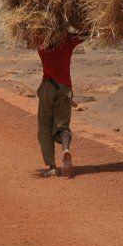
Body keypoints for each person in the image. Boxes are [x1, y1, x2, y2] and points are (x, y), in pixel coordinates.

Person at [36, 32, 84, 178]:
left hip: (48, 88)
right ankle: (65, 150)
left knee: (45, 127)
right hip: (65, 89)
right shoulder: (68, 42)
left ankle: (51, 167)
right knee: (63, 125)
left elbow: (28, 33)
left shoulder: (42, 41)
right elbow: (87, 33)